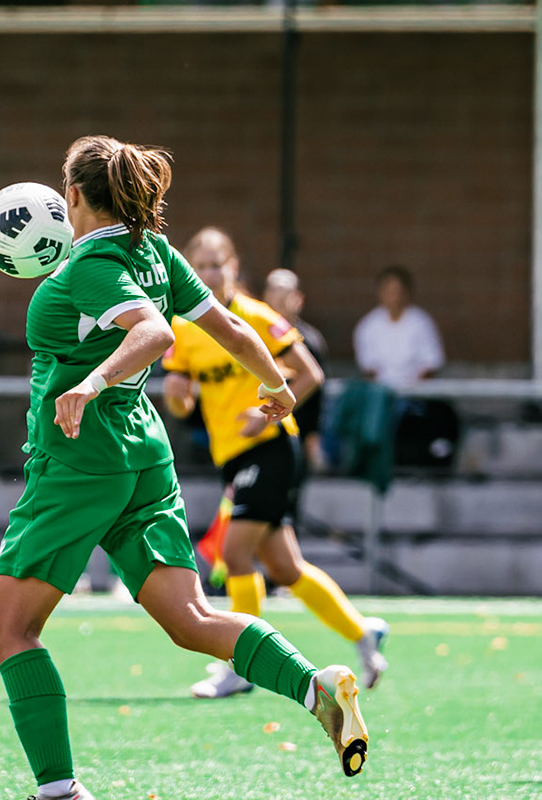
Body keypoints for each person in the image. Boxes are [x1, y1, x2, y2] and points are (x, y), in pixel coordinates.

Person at [0, 135, 368, 800]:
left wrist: (90, 382)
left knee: (9, 632)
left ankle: (58, 793)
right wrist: (276, 382)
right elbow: (225, 326)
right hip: (143, 456)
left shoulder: (96, 264)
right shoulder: (154, 253)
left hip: (79, 463)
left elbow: (155, 332)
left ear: (71, 197)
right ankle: (316, 686)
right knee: (191, 619)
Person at [163, 228, 390, 700]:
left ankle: (242, 664)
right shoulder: (185, 328)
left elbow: (309, 374)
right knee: (286, 568)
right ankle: (362, 633)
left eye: (215, 264)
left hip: (269, 449)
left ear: (233, 268)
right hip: (232, 456)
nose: (207, 273)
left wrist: (265, 412)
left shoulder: (256, 317)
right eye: (198, 265)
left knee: (235, 555)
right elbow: (180, 402)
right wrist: (179, 396)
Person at [261, 267, 329, 469]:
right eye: (273, 292)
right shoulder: (253, 334)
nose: (279, 300)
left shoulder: (310, 341)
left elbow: (318, 393)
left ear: (298, 298)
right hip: (257, 427)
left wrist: (313, 437)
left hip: (297, 430)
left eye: (285, 293)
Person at [353, 266, 445, 390]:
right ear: (380, 293)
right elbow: (369, 368)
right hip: (381, 394)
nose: (394, 298)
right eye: (388, 292)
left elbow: (431, 363)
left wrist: (412, 388)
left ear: (407, 293)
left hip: (417, 394)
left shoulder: (422, 323)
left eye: (397, 292)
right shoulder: (367, 325)